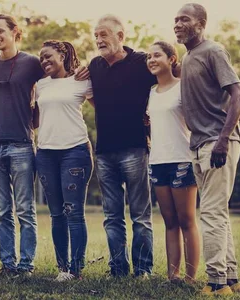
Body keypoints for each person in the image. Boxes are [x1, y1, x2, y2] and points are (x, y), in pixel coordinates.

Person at [175, 3, 240, 295]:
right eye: (175, 20)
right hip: (199, 143)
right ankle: (231, 279)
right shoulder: (189, 56)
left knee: (212, 214)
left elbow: (238, 94)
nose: (178, 24)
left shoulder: (212, 51)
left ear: (201, 23)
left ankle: (215, 282)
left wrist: (222, 140)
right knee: (218, 212)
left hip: (217, 143)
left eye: (185, 19)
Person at [87, 15, 155, 278]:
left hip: (135, 148)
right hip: (104, 151)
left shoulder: (142, 61)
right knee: (112, 216)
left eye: (104, 34)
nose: (99, 40)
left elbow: (171, 78)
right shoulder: (94, 65)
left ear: (121, 36)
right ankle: (117, 268)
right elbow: (93, 98)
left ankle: (143, 269)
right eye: (96, 36)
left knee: (140, 215)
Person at [0, 14, 44, 277]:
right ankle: (8, 264)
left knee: (25, 209)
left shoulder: (31, 63)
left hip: (21, 143)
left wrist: (36, 120)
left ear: (15, 32)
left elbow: (53, 84)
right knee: (1, 211)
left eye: (0, 31)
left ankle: (26, 265)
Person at [35, 40, 94, 281]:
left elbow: (106, 106)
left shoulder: (82, 81)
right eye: (41, 59)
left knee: (74, 212)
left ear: (62, 54)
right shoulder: (40, 85)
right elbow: (35, 119)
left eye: (48, 56)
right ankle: (63, 269)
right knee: (56, 214)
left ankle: (76, 270)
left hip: (75, 151)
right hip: (46, 153)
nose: (44, 61)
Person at [145, 41, 200, 283]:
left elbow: (197, 117)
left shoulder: (182, 88)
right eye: (149, 57)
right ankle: (172, 276)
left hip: (182, 160)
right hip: (158, 162)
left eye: (157, 55)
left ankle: (190, 277)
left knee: (186, 220)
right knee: (169, 222)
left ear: (171, 59)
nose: (152, 60)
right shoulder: (150, 93)